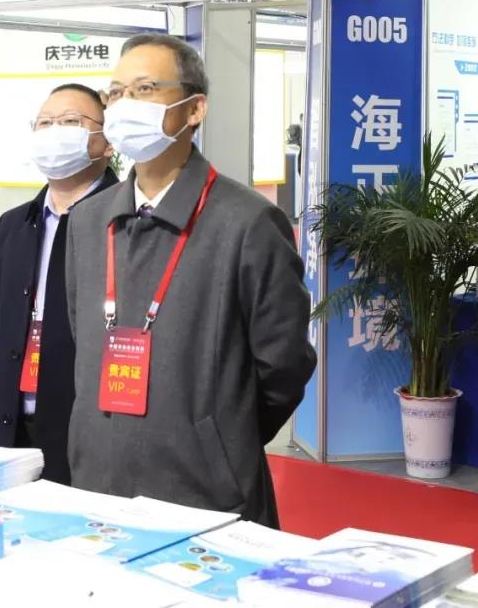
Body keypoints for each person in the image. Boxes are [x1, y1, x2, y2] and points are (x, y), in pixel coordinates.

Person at [64, 34, 316, 526]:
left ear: (195, 109)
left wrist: (218, 435)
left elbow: (284, 366)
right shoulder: (90, 221)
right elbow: (83, 337)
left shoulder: (247, 222)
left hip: (205, 492)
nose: (125, 105)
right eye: (116, 93)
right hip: (98, 478)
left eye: (145, 89)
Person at [0, 83, 118, 484]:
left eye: (71, 122)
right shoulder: (14, 224)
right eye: (45, 123)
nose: (54, 132)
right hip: (8, 430)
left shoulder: (126, 224)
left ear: (108, 142)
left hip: (89, 436)